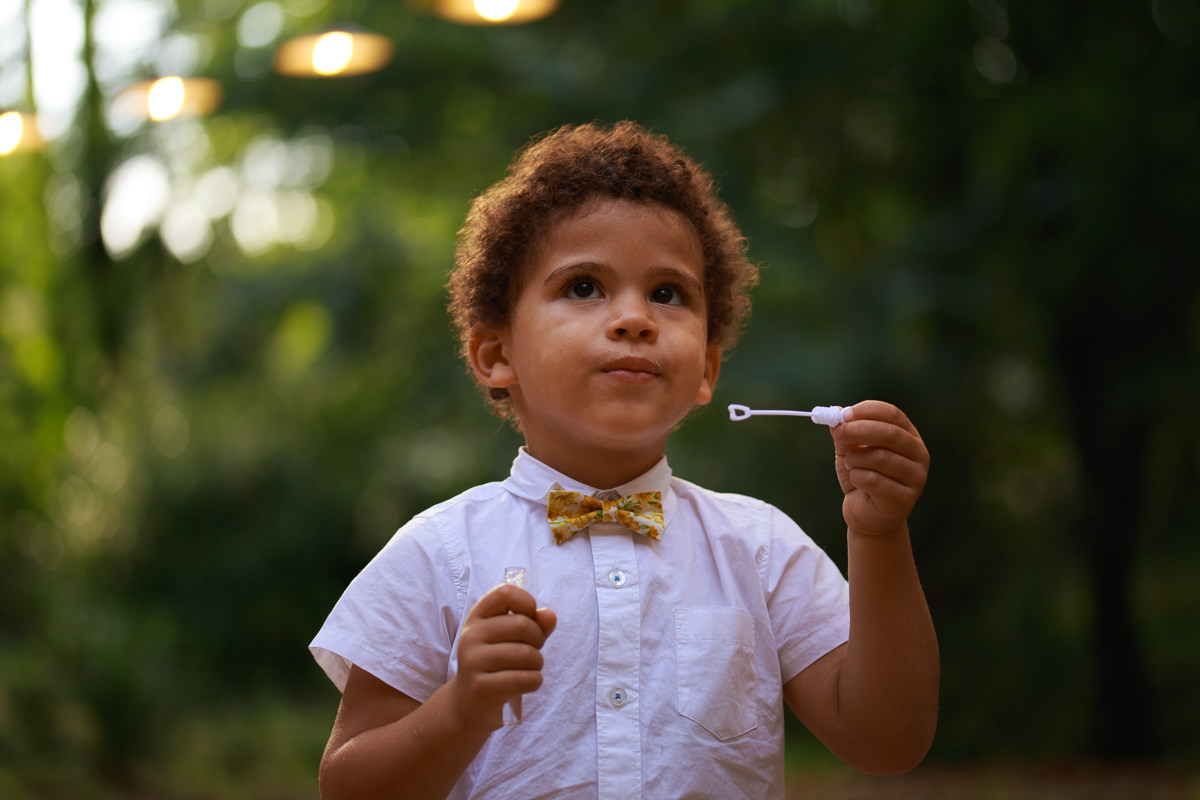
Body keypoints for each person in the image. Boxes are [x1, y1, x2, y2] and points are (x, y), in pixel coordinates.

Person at [310, 120, 938, 799]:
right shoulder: (438, 554)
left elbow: (888, 741)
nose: (634, 318)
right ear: (497, 355)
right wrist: (460, 709)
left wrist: (878, 534)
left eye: (668, 294)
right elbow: (349, 787)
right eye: (583, 287)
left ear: (706, 369)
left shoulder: (760, 550)